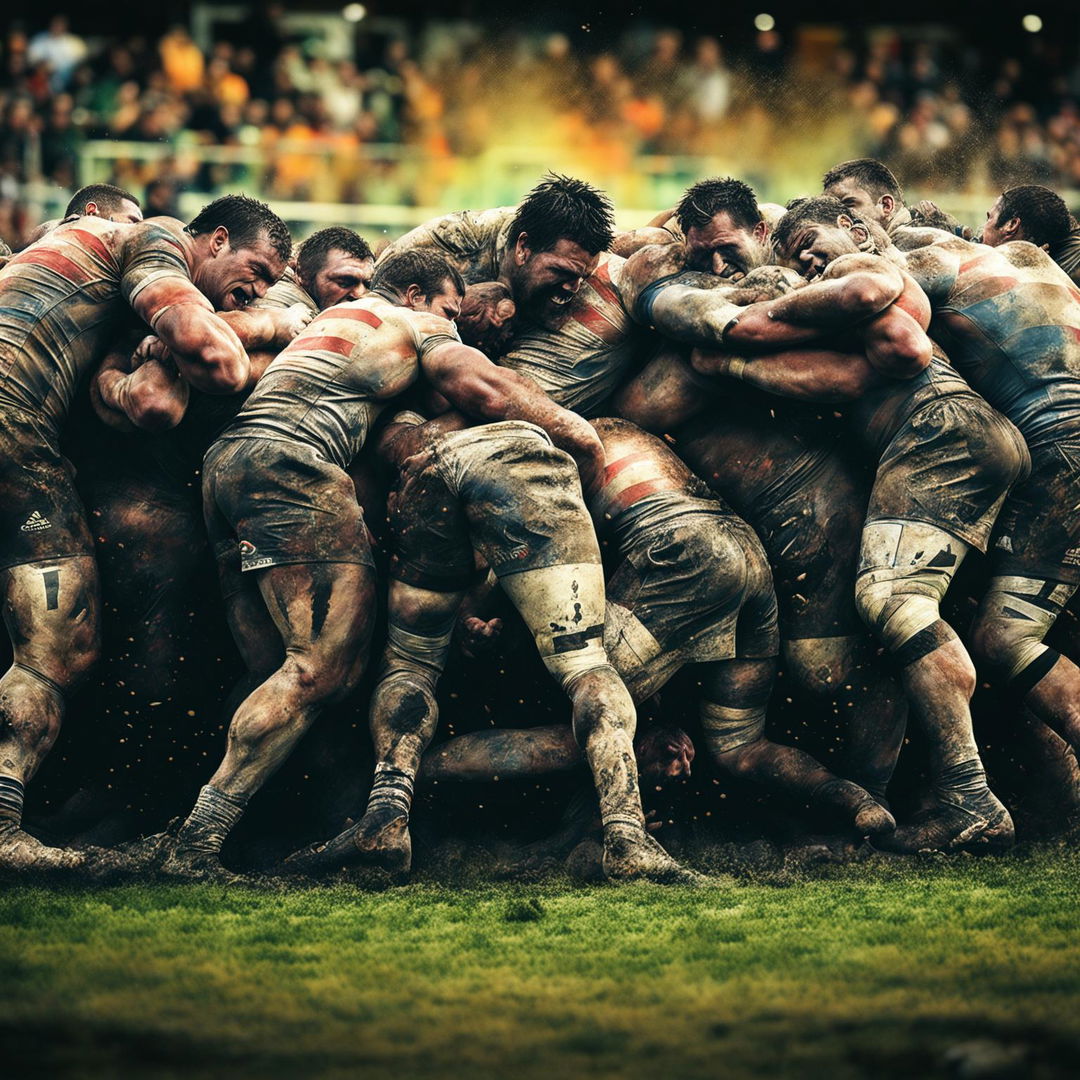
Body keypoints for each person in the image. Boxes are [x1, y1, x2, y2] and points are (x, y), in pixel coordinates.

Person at [143, 249, 608, 880]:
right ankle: (196, 843)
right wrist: (578, 434)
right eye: (450, 309)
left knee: (272, 670)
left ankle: (224, 828)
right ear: (417, 295)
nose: (456, 321)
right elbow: (485, 387)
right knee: (320, 671)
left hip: (228, 464)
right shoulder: (414, 325)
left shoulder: (325, 324)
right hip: (292, 468)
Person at [625, 200, 1029, 852]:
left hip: (941, 433)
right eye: (798, 252)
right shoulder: (831, 298)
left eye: (809, 242)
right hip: (965, 436)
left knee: (895, 604)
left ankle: (969, 794)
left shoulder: (861, 272)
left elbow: (896, 348)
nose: (807, 258)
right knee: (943, 621)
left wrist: (738, 345)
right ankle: (921, 798)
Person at [284, 411, 703, 885]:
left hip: (424, 479)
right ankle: (626, 838)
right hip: (520, 460)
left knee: (410, 661)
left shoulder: (387, 428)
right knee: (584, 662)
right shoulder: (496, 393)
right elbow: (581, 450)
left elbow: (464, 560)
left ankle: (385, 817)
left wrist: (467, 618)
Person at [0, 193, 291, 872]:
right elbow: (212, 361)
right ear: (212, 240)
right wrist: (270, 326)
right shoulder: (153, 239)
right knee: (57, 646)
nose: (256, 289)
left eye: (270, 285)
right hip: (13, 450)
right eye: (254, 271)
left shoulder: (63, 253)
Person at [879, 202, 1080, 824]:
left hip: (1063, 460)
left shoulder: (937, 263)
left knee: (1005, 637)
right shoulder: (1043, 267)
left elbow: (878, 299)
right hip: (1065, 456)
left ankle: (969, 801)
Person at [822, 158, 967, 247]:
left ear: (886, 206)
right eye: (830, 210)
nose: (839, 217)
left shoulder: (917, 241)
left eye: (848, 204)